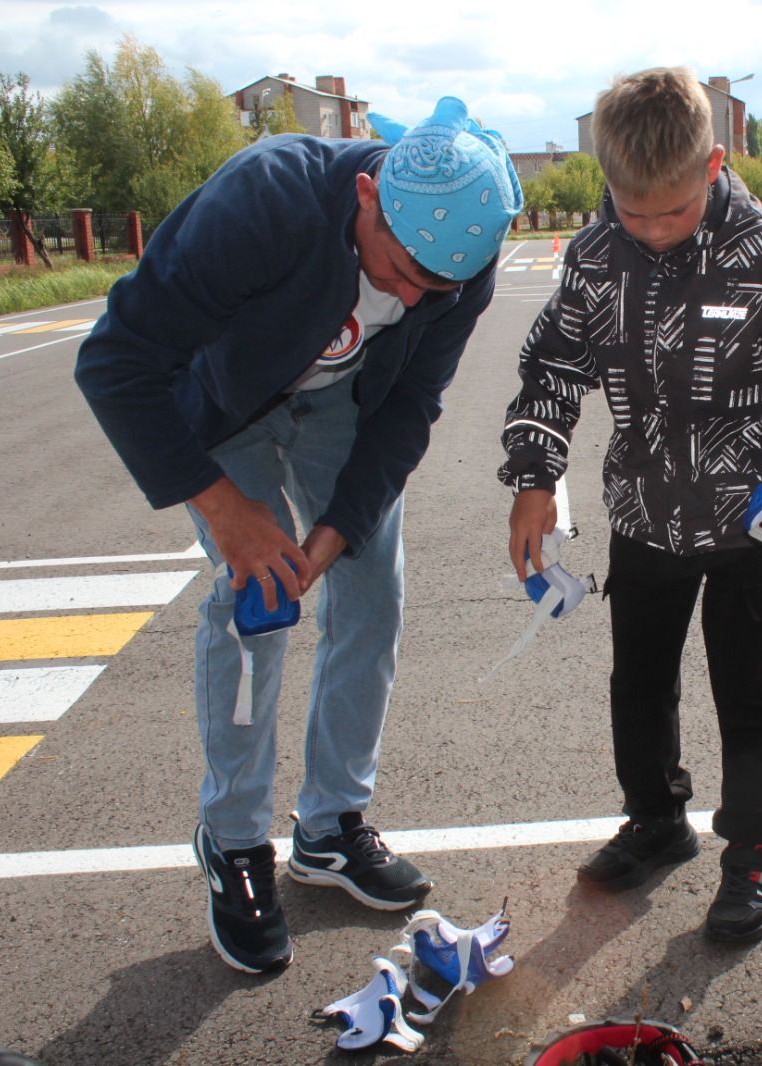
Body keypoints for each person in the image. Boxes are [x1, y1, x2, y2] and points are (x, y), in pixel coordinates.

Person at [75, 97, 522, 973]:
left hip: (339, 404)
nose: (407, 296)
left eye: (433, 289)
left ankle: (330, 824)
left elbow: (409, 409)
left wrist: (336, 532)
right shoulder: (264, 200)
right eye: (396, 271)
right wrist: (225, 509)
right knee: (258, 608)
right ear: (366, 194)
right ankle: (235, 842)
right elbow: (115, 359)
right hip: (227, 401)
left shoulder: (463, 260)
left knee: (372, 588)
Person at [498, 67, 762, 943]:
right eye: (635, 214)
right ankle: (656, 820)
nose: (655, 232)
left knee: (748, 690)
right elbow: (551, 372)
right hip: (643, 515)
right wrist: (532, 477)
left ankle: (750, 849)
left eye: (673, 212)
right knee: (638, 682)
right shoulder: (596, 256)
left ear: (712, 168)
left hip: (751, 520)